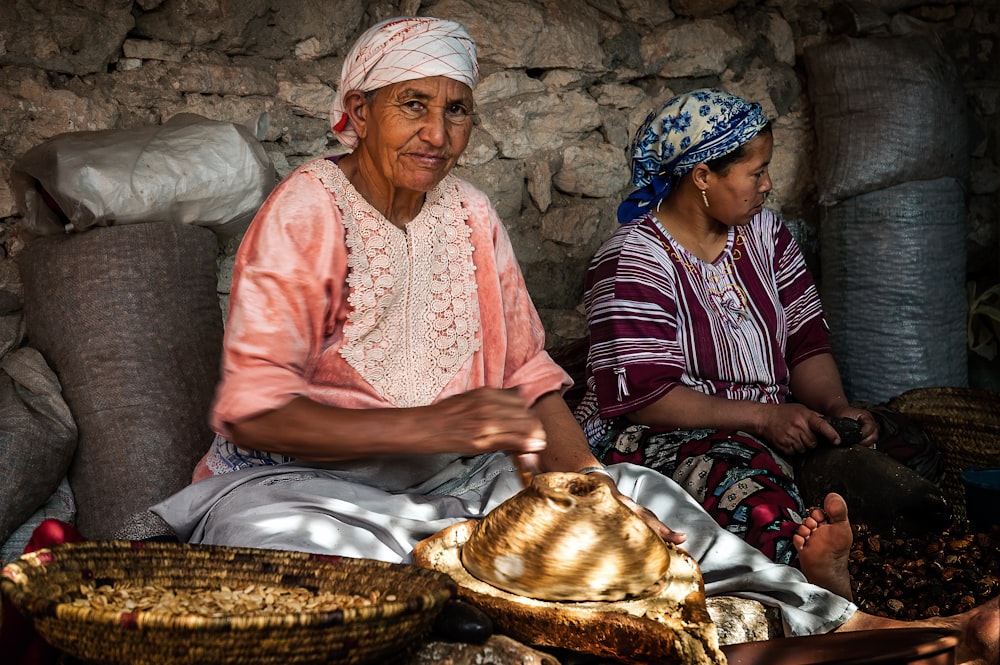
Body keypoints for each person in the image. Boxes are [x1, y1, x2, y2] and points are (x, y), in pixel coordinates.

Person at [147, 20, 997, 664]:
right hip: (307, 487)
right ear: (356, 113)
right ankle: (514, 604)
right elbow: (255, 413)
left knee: (643, 497)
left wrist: (595, 500)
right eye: (413, 105)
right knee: (282, 545)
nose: (437, 134)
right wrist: (428, 428)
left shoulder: (471, 215)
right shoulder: (306, 207)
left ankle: (861, 625)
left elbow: (531, 380)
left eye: (457, 110)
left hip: (464, 482)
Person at [573, 88, 939, 568]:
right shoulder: (633, 259)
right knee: (749, 492)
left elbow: (806, 342)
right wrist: (763, 418)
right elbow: (647, 398)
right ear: (702, 176)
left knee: (907, 442)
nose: (767, 185)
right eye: (756, 171)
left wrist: (836, 409)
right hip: (661, 430)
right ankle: (815, 571)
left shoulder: (767, 235)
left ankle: (838, 512)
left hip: (772, 419)